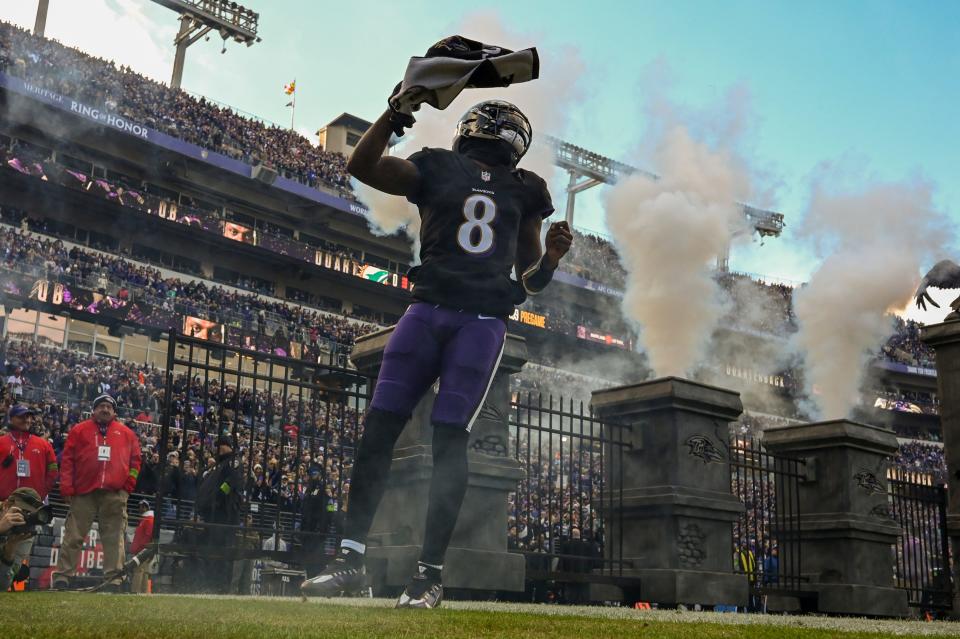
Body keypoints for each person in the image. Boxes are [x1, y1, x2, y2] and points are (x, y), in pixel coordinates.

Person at [301, 95, 572, 609]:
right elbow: (362, 165)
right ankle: (352, 559)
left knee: (449, 443)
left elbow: (531, 280)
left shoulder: (520, 188)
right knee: (380, 430)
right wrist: (395, 113)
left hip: (479, 321)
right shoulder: (449, 168)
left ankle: (428, 574)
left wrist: (553, 259)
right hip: (427, 311)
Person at [52, 394, 141, 589]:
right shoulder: (79, 430)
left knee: (114, 537)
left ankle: (114, 579)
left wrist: (128, 487)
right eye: (101, 406)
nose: (105, 409)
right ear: (93, 410)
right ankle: (63, 576)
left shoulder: (127, 433)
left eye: (109, 407)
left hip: (114, 493)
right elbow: (67, 460)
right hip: (84, 492)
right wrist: (66, 486)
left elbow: (135, 462)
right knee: (73, 535)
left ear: (114, 412)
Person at [0, 404, 58, 589]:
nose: (26, 420)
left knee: (19, 552)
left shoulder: (43, 445)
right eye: (21, 416)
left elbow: (53, 472)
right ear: (11, 418)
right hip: (3, 505)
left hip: (30, 510)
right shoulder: (2, 442)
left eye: (29, 416)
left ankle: (6, 582)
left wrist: (39, 496)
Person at [194, 434, 243, 593]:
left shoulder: (233, 462)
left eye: (221, 444)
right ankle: (211, 583)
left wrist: (219, 498)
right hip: (214, 514)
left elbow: (231, 483)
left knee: (223, 551)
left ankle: (221, 586)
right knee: (212, 549)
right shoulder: (218, 465)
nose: (219, 448)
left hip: (225, 514)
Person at [0, 487, 44, 592]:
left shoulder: (24, 532)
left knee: (21, 571)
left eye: (30, 514)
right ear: (6, 505)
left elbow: (2, 586)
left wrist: (9, 552)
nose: (24, 518)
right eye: (22, 511)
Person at [129, 499, 154, 594]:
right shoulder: (146, 519)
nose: (140, 508)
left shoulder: (148, 520)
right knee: (144, 572)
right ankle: (144, 592)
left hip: (142, 550)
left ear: (146, 507)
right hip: (143, 550)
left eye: (142, 506)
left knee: (139, 571)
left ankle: (135, 591)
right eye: (140, 506)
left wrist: (143, 549)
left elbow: (148, 536)